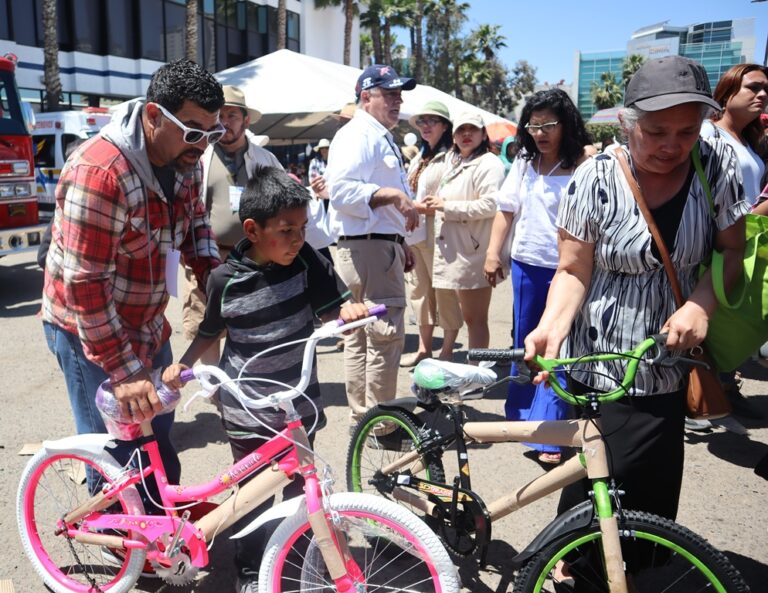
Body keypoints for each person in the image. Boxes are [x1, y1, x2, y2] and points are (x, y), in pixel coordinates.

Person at [525, 56, 746, 531]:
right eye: (656, 131)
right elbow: (572, 269)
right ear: (627, 123)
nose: (672, 145)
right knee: (597, 471)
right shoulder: (595, 176)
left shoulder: (715, 165)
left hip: (668, 359)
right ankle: (575, 565)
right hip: (598, 360)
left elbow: (732, 251)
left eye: (687, 131)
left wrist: (699, 304)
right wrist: (552, 327)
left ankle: (627, 566)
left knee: (649, 483)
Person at [163, 166, 368, 593]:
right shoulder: (225, 279)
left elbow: (333, 308)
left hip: (297, 400)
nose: (297, 239)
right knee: (251, 492)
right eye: (286, 230)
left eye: (303, 228)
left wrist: (346, 313)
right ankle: (251, 566)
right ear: (253, 230)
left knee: (299, 483)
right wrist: (183, 366)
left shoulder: (307, 259)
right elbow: (210, 331)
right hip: (248, 407)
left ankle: (294, 551)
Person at [41, 59, 225, 495]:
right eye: (195, 131)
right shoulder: (100, 172)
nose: (203, 145)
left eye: (212, 134)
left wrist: (214, 276)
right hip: (89, 333)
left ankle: (159, 536)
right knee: (117, 452)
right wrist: (124, 373)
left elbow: (195, 222)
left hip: (146, 323)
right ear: (153, 116)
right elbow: (85, 286)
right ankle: (117, 543)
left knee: (158, 436)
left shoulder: (186, 158)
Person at [484, 88, 593, 465]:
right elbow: (506, 210)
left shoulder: (585, 163)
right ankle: (521, 419)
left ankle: (552, 433)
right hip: (526, 265)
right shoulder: (525, 162)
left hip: (568, 270)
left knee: (557, 347)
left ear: (567, 124)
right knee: (524, 343)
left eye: (549, 124)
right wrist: (492, 252)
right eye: (534, 125)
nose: (541, 132)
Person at [325, 63, 418, 430]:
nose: (397, 101)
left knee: (363, 337)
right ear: (366, 97)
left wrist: (401, 241)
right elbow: (343, 192)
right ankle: (381, 425)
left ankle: (366, 421)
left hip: (374, 246)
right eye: (389, 94)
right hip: (369, 249)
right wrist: (394, 195)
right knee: (381, 334)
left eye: (399, 94)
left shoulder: (373, 134)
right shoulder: (359, 134)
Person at [182, 85, 283, 368]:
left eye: (232, 115)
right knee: (203, 322)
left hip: (254, 260)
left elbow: (284, 207)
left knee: (251, 322)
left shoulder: (266, 160)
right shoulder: (198, 156)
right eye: (219, 115)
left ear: (246, 120)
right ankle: (214, 390)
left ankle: (246, 384)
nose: (224, 122)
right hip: (205, 259)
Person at [700, 63, 768, 423]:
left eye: (765, 90)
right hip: (717, 245)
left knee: (729, 324)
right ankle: (700, 398)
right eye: (753, 87)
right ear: (726, 93)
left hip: (746, 243)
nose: (762, 95)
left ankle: (721, 390)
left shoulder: (746, 140)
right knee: (711, 324)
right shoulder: (709, 136)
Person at [425, 111, 505, 353]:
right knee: (466, 315)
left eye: (473, 129)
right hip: (457, 249)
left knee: (475, 318)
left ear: (483, 134)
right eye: (461, 130)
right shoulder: (453, 160)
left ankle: (476, 373)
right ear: (453, 135)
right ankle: (472, 369)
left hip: (474, 251)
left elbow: (491, 205)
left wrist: (446, 207)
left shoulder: (490, 163)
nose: (466, 134)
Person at [400, 101, 463, 367]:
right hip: (415, 234)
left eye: (431, 121)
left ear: (445, 126)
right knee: (419, 292)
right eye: (422, 121)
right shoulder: (418, 157)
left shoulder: (453, 156)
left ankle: (447, 350)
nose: (425, 126)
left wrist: (416, 206)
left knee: (445, 292)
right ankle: (425, 349)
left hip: (440, 234)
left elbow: (448, 196)